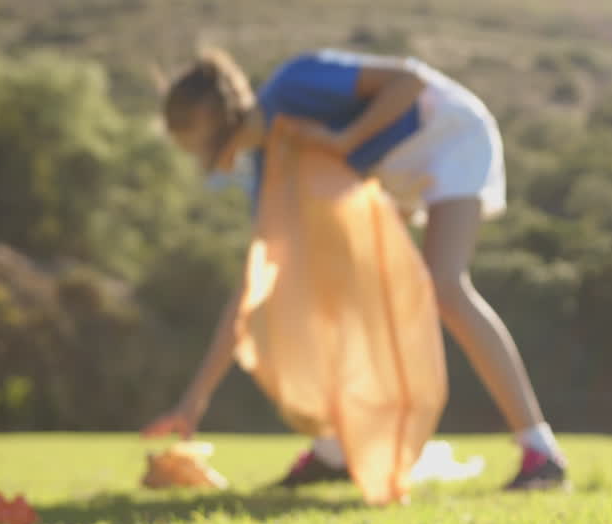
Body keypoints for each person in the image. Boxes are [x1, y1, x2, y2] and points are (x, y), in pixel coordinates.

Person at [141, 48, 567, 491]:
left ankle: (541, 453)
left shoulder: (294, 84)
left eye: (193, 147)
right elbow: (254, 284)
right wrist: (193, 402)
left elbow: (409, 83)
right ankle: (335, 451)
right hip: (395, 169)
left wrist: (345, 141)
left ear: (214, 122)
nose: (198, 162)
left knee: (444, 286)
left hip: (448, 133)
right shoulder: (270, 164)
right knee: (340, 300)